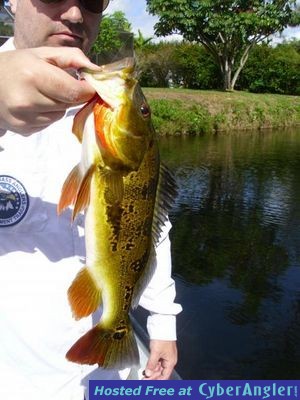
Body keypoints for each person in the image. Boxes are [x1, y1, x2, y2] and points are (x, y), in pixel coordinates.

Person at [0, 0, 182, 399]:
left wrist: (163, 322)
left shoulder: (106, 99)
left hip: (111, 376)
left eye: (93, 0)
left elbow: (150, 223)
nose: (75, 14)